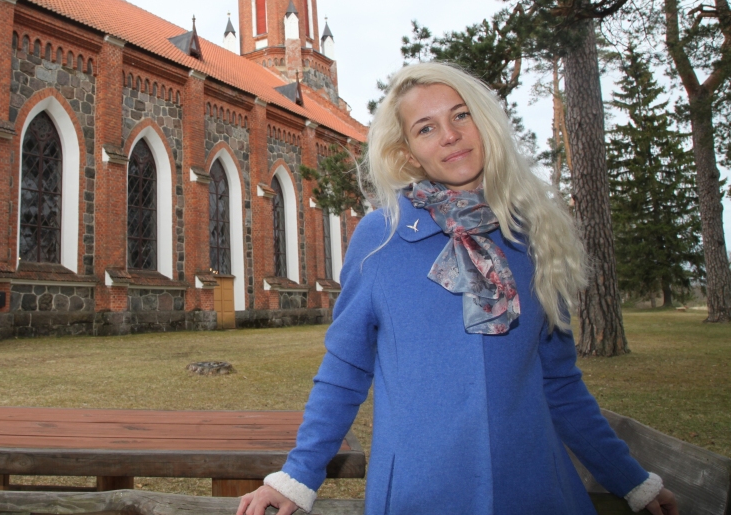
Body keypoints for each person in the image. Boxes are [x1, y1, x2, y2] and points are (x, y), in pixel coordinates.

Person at [237, 63, 679, 515]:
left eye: (461, 115)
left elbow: (561, 384)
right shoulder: (381, 238)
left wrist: (634, 483)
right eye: (426, 128)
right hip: (421, 491)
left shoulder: (535, 237)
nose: (449, 134)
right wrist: (297, 478)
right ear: (409, 153)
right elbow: (345, 370)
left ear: (485, 123)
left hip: (536, 491)